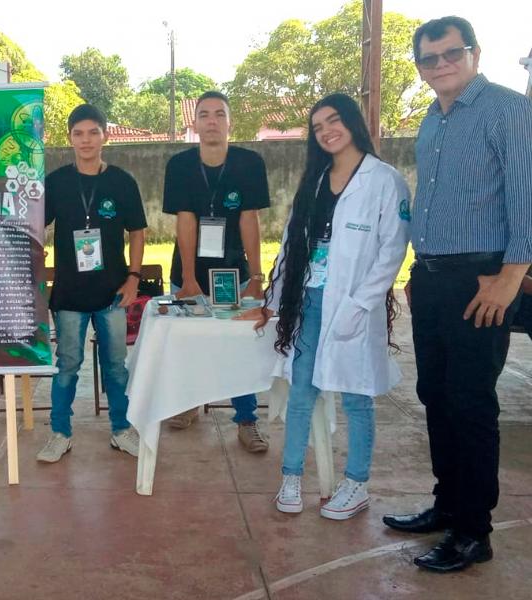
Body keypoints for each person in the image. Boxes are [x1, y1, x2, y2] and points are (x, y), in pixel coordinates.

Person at [381, 16, 532, 572]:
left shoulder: (508, 110)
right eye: (429, 58)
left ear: (474, 52)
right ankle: (448, 506)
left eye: (451, 53)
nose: (440, 65)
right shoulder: (432, 119)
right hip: (434, 278)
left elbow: (526, 195)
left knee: (470, 404)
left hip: (482, 280)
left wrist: (512, 275)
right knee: (436, 395)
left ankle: (475, 531)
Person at [239, 93, 410, 521]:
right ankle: (291, 476)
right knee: (301, 392)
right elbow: (290, 247)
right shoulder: (315, 180)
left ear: (352, 122)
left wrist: (361, 303)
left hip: (354, 304)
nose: (327, 131)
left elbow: (393, 251)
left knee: (357, 396)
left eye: (333, 121)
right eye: (318, 127)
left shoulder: (384, 180)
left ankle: (356, 483)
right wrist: (273, 302)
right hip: (310, 300)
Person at [36, 104, 147, 463]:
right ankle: (59, 433)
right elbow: (35, 226)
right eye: (78, 133)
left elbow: (138, 232)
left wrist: (133, 278)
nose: (86, 140)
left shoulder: (122, 182)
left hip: (112, 293)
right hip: (69, 294)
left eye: (92, 132)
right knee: (67, 363)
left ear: (105, 136)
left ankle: (121, 429)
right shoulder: (55, 182)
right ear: (69, 138)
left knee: (115, 364)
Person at [162, 91, 271, 452]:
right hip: (189, 273)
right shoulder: (179, 165)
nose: (211, 121)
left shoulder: (249, 163)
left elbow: (249, 220)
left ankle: (246, 419)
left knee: (237, 348)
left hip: (233, 276)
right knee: (192, 344)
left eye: (219, 114)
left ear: (230, 122)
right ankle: (189, 404)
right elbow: (186, 220)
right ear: (194, 124)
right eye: (204, 114)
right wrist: (189, 278)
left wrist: (255, 279)